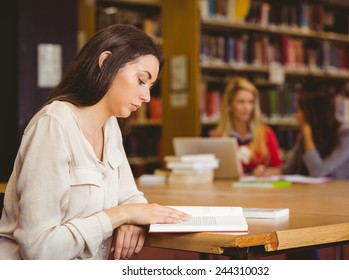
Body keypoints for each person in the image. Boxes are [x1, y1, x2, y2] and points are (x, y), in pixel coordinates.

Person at [0, 24, 191, 260]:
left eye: (150, 87)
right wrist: (121, 215)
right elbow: (39, 249)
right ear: (106, 62)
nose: (147, 97)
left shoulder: (110, 126)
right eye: (141, 80)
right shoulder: (54, 125)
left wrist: (133, 218)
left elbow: (130, 196)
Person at [264, 87, 349, 180]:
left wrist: (308, 137)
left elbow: (318, 172)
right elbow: (289, 167)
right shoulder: (308, 132)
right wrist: (270, 172)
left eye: (298, 110)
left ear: (310, 113)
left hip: (347, 193)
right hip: (317, 192)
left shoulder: (347, 134)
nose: (296, 115)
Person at [210, 77, 282, 176]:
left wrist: (266, 172)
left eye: (250, 102)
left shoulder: (266, 134)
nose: (246, 107)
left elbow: (278, 169)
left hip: (258, 190)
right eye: (241, 102)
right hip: (229, 190)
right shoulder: (217, 137)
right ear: (230, 104)